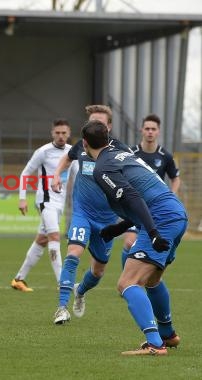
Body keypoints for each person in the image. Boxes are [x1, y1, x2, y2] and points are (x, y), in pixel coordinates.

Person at [82, 119, 186, 355]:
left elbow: (133, 198)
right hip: (176, 213)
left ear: (85, 144)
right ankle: (168, 335)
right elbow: (142, 197)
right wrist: (118, 229)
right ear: (108, 137)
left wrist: (152, 232)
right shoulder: (121, 151)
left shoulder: (102, 168)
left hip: (161, 220)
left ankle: (155, 344)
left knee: (126, 283)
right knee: (152, 281)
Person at [50, 105, 130, 325]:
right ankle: (61, 308)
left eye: (100, 123)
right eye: (91, 122)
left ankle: (81, 292)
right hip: (82, 213)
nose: (93, 127)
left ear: (109, 127)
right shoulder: (82, 144)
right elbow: (67, 158)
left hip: (107, 221)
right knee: (73, 253)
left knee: (98, 272)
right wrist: (57, 175)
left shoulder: (121, 152)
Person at [11, 119, 77, 292]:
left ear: (69, 134)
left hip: (59, 203)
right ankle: (62, 282)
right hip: (45, 201)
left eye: (64, 133)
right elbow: (25, 173)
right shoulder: (43, 152)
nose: (61, 136)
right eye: (58, 133)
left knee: (41, 240)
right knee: (54, 237)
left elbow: (77, 176)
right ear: (52, 133)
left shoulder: (72, 152)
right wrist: (22, 198)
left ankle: (19, 279)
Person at [121, 114, 181, 267]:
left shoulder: (165, 156)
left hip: (156, 207)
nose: (150, 132)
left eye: (153, 129)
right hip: (135, 206)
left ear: (158, 131)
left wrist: (171, 196)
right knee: (129, 243)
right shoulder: (131, 152)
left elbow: (175, 178)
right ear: (141, 130)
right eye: (147, 128)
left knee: (155, 249)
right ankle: (126, 282)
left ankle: (139, 280)